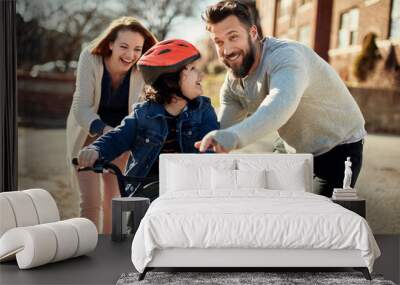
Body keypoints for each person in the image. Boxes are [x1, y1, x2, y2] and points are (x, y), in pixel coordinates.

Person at [196, 0, 366, 198]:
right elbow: (222, 130)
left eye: (233, 37)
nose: (227, 50)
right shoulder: (233, 82)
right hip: (293, 145)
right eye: (219, 42)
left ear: (253, 33)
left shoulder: (286, 57)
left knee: (322, 216)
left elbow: (279, 106)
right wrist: (208, 144)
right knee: (277, 204)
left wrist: (234, 138)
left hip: (338, 145)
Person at [76, 39, 219, 201]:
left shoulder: (204, 111)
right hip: (145, 194)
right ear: (170, 80)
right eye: (193, 69)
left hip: (190, 193)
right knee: (131, 222)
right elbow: (117, 137)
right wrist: (95, 149)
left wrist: (209, 156)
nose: (201, 74)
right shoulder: (143, 114)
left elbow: (210, 144)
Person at [66, 16, 157, 233]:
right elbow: (81, 106)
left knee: (114, 199)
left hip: (122, 137)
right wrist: (103, 130)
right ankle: (87, 248)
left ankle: (109, 251)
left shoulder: (143, 68)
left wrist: (120, 138)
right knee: (90, 202)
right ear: (110, 44)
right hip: (89, 131)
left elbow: (142, 110)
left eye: (137, 49)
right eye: (124, 46)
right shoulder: (90, 57)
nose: (130, 55)